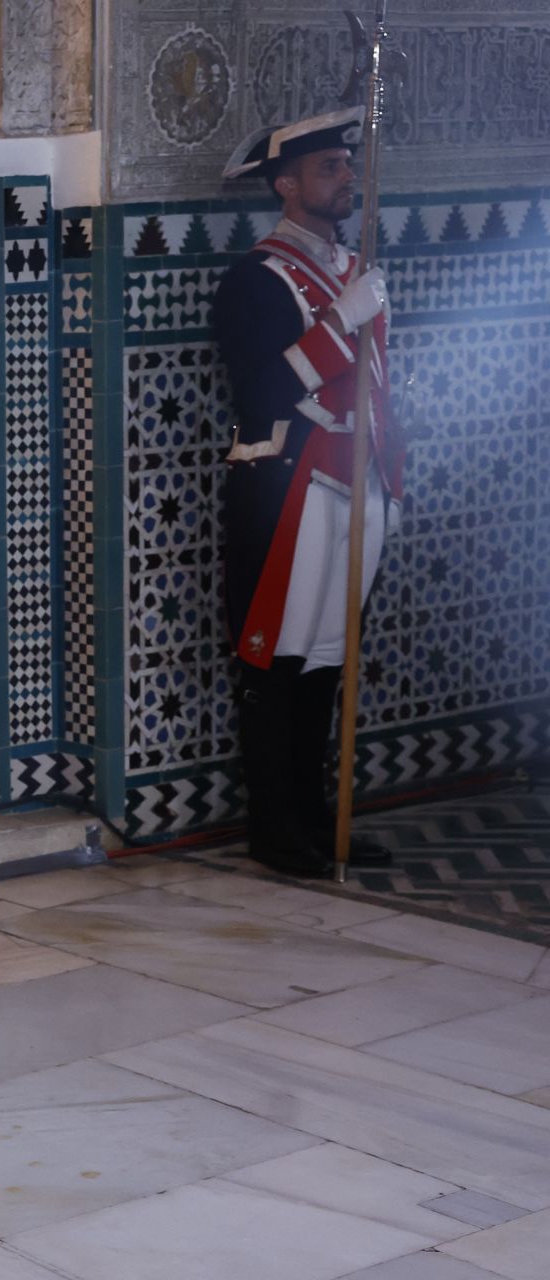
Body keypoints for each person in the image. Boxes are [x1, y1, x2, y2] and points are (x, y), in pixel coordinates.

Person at [214, 106, 404, 879]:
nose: (346, 178)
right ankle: (275, 827)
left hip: (358, 482)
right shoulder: (256, 279)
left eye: (347, 166)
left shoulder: (349, 270)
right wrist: (337, 326)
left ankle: (319, 821)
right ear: (286, 185)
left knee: (329, 665)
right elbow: (260, 393)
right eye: (330, 169)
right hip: (289, 487)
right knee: (277, 666)